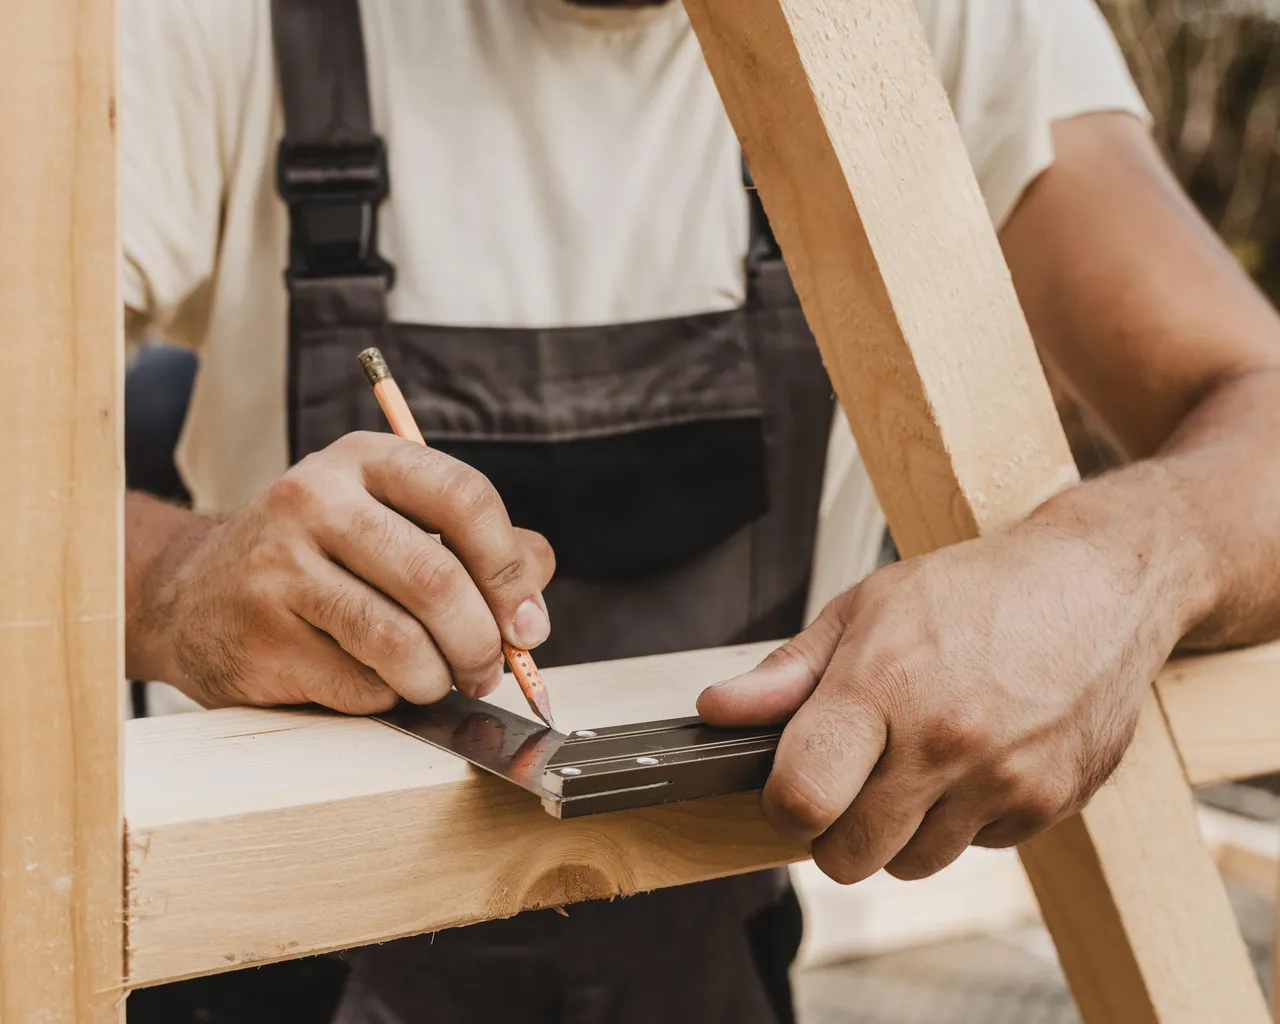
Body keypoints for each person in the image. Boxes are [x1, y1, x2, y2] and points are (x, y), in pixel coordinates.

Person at [121, 1, 1280, 1022]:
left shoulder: (944, 22)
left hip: (711, 949)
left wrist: (1108, 565)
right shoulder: (194, 18)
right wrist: (175, 578)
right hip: (268, 958)